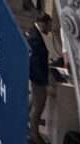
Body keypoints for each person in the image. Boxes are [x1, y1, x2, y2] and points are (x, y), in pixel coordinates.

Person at [29, 14, 57, 143]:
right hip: (38, 80)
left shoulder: (35, 34)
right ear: (42, 23)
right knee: (38, 107)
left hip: (36, 78)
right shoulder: (35, 38)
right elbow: (35, 62)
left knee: (34, 106)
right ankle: (33, 134)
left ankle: (32, 131)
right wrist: (44, 82)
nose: (50, 28)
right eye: (49, 25)